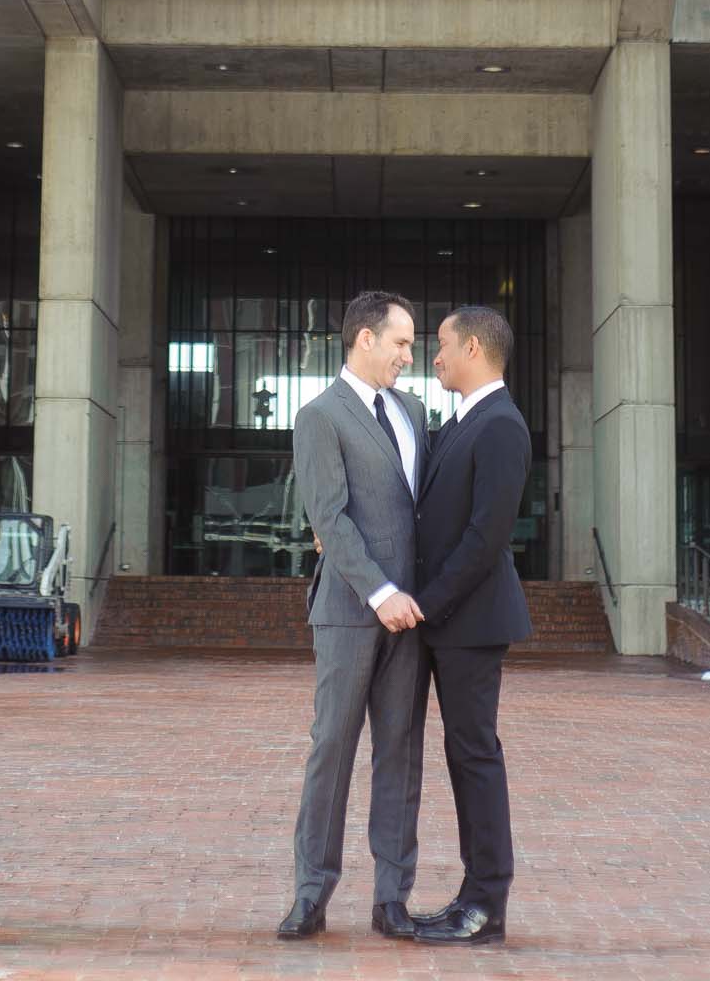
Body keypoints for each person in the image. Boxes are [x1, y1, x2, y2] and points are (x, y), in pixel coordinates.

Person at [278, 288, 430, 943]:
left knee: (399, 752)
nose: (407, 355)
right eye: (399, 342)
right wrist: (378, 592)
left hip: (413, 615)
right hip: (350, 610)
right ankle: (311, 894)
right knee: (332, 750)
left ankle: (392, 899)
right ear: (363, 338)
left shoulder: (415, 411)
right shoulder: (320, 416)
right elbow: (328, 520)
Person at [410, 303, 532, 947]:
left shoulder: (501, 426)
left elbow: (487, 538)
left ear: (476, 350)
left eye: (442, 346)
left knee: (475, 758)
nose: (435, 358)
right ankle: (470, 896)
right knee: (465, 758)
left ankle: (486, 904)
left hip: (470, 622)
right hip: (449, 621)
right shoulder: (462, 421)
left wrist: (428, 603)